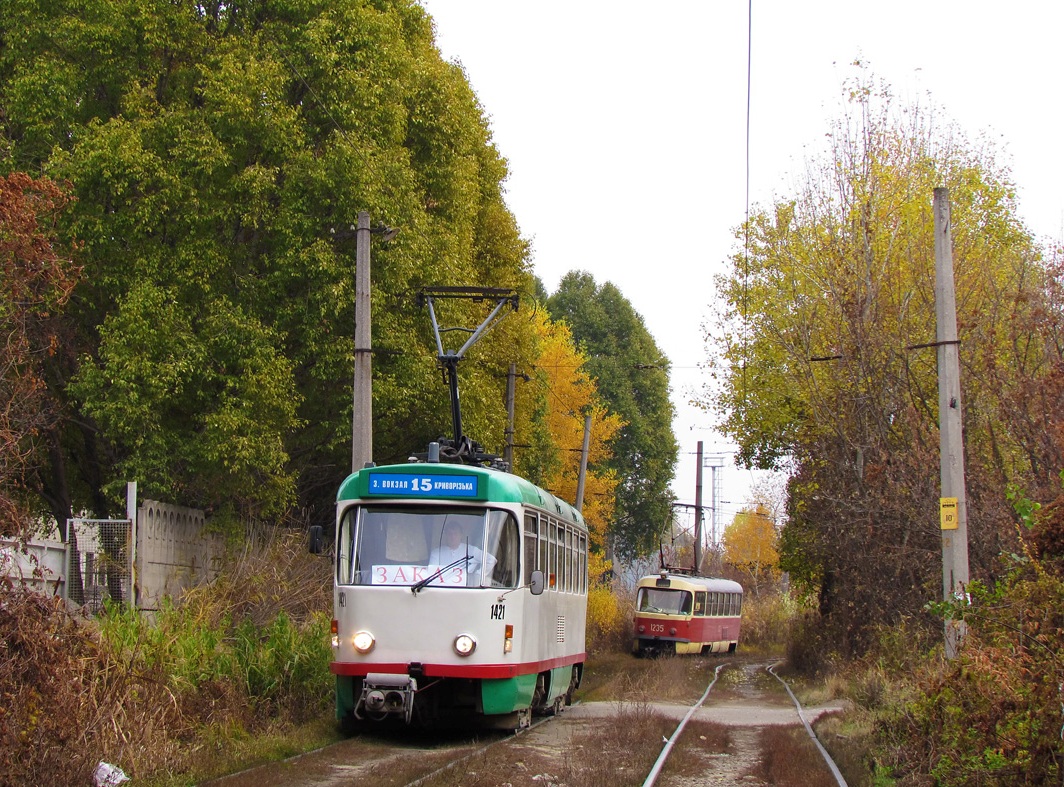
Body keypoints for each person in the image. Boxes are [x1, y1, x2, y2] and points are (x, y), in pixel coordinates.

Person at [428, 520, 496, 586]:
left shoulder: (471, 550)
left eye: (455, 534)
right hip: (442, 588)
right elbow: (433, 575)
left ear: (461, 535)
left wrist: (477, 575)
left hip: (464, 589)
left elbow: (491, 560)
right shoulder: (436, 553)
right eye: (450, 534)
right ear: (445, 535)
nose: (453, 537)